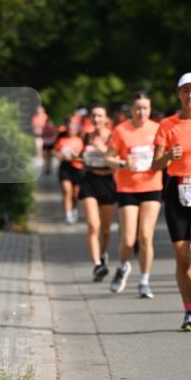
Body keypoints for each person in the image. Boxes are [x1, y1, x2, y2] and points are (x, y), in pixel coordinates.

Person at [153, 72, 191, 331]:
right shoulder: (167, 124)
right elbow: (154, 164)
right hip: (177, 191)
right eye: (185, 90)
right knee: (182, 258)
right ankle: (189, 311)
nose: (190, 95)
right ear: (179, 94)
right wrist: (168, 156)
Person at [107, 92, 162, 298]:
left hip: (151, 186)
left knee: (146, 236)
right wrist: (122, 164)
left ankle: (144, 281)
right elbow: (109, 158)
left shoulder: (157, 129)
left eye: (145, 108)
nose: (141, 112)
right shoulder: (121, 131)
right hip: (128, 189)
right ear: (131, 110)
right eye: (137, 108)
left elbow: (164, 156)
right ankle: (122, 267)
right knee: (129, 239)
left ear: (150, 109)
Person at [77, 104, 116, 281]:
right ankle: (97, 265)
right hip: (89, 180)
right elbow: (81, 156)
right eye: (93, 116)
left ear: (106, 119)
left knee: (106, 229)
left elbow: (117, 161)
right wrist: (74, 156)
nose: (96, 119)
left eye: (100, 116)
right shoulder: (86, 136)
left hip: (108, 181)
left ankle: (103, 254)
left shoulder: (113, 137)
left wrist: (103, 149)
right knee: (93, 225)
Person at [53, 119, 85, 224]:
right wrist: (59, 155)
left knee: (75, 194)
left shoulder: (80, 140)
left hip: (77, 168)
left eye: (73, 128)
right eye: (69, 127)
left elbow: (84, 155)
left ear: (76, 129)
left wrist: (76, 157)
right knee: (67, 191)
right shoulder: (61, 139)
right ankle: (68, 214)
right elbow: (54, 151)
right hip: (65, 167)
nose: (71, 129)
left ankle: (74, 208)